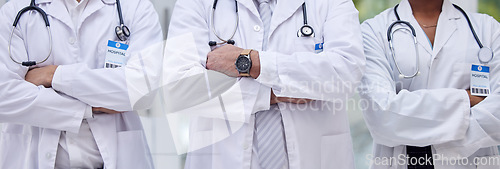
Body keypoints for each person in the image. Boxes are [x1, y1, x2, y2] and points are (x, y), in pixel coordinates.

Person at [165, 0, 365, 168]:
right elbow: (180, 89)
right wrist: (272, 93)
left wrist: (253, 62)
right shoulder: (197, 3)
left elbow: (346, 72)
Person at [0, 0, 163, 168]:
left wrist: (53, 75)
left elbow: (141, 91)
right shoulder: (15, 10)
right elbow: (4, 97)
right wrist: (90, 108)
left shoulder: (136, 7)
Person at [360, 0, 500, 168]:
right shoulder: (373, 31)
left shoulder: (488, 29)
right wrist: (465, 99)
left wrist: (418, 128)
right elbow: (382, 116)